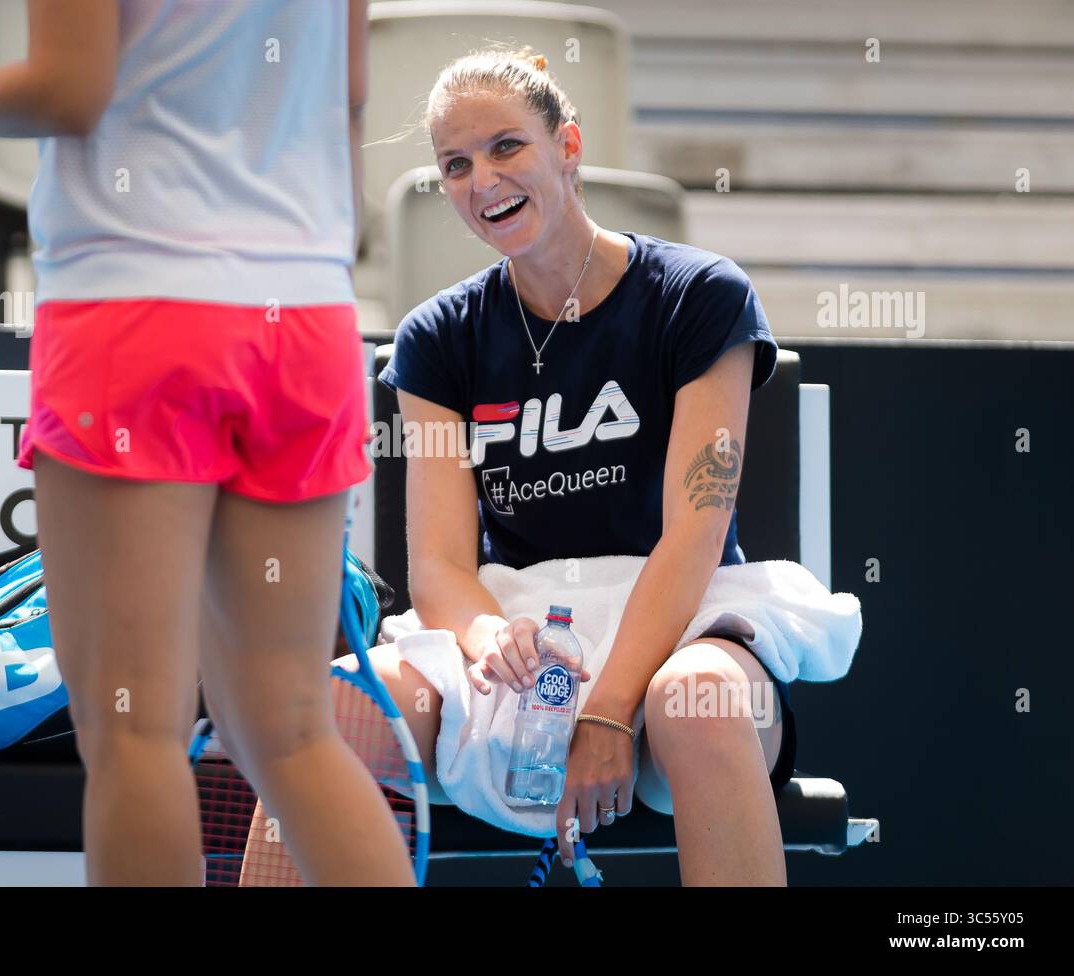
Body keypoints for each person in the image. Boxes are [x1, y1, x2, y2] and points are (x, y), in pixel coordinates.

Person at [0, 0, 416, 886]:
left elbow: (69, 92)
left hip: (138, 309)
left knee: (133, 735)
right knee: (293, 732)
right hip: (306, 324)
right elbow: (347, 97)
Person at [248, 45, 796, 886]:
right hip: (520, 634)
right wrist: (493, 636)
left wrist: (609, 712)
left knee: (701, 705)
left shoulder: (701, 295)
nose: (482, 180)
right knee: (330, 707)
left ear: (567, 146)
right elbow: (436, 564)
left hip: (683, 620)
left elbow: (696, 531)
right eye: (455, 164)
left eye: (507, 147)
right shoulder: (434, 341)